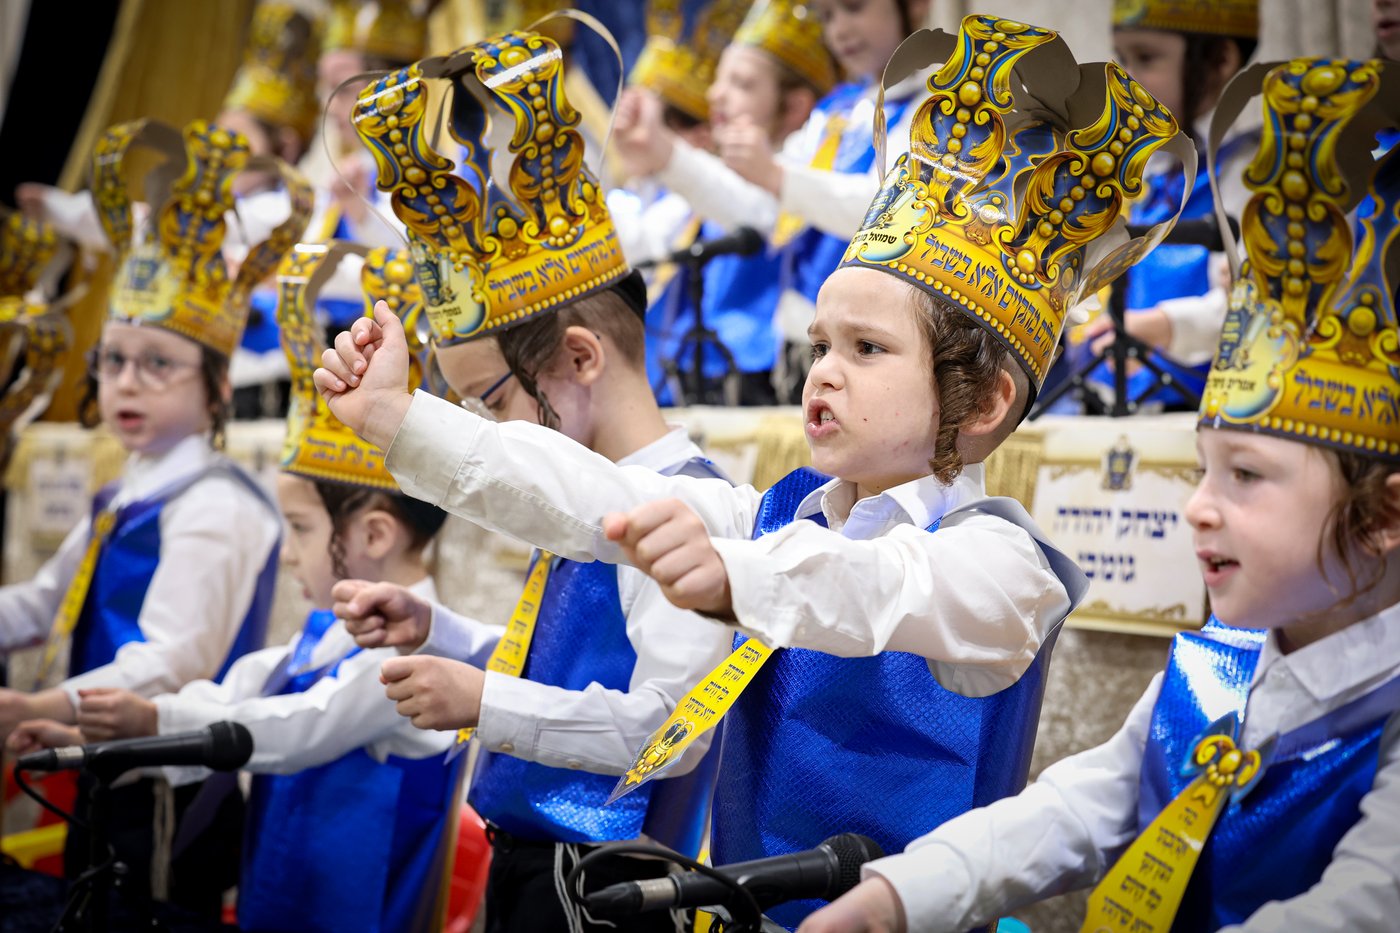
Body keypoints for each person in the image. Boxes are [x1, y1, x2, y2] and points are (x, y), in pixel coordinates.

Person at [314, 14, 1194, 928]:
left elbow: (879, 586)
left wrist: (734, 570)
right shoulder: (769, 515)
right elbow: (591, 491)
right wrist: (394, 418)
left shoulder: (1004, 566)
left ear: (981, 403)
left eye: (866, 347)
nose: (824, 370)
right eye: (819, 343)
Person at [799, 55, 1400, 933]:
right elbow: (1077, 809)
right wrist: (900, 894)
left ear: (1384, 515)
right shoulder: (1213, 664)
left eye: (1248, 477)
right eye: (1202, 469)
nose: (1198, 505)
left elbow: (1356, 908)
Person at [328, 29, 735, 932]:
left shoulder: (690, 509)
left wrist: (485, 702)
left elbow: (668, 730)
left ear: (580, 357)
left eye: (495, 400)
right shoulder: (587, 490)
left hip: (611, 885)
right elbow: (582, 659)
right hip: (534, 860)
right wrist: (455, 636)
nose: (486, 433)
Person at [9, 243, 461, 933]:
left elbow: (293, 728)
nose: (285, 553)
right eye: (115, 360)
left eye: (301, 528)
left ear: (374, 535)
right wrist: (89, 733)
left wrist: (148, 721)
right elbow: (224, 695)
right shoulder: (315, 638)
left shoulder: (406, 663)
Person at [0, 116, 310, 913]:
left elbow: (167, 660)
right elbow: (43, 601)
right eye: (113, 361)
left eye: (157, 364)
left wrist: (47, 707)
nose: (127, 383)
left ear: (214, 388)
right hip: (109, 766)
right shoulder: (128, 488)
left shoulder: (213, 503)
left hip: (169, 792)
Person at [615, 0, 929, 403]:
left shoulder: (931, 104)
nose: (840, 30)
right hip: (806, 339)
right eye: (828, 16)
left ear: (917, 6)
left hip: (878, 337)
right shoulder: (837, 110)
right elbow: (763, 211)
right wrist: (665, 154)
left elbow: (893, 209)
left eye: (854, 7)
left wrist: (776, 176)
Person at [1070, 0, 1259, 412]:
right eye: (1123, 59)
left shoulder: (1252, 172)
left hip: (1213, 406)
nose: (1127, 79)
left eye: (1147, 58)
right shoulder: (1146, 176)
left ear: (1220, 59)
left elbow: (1259, 299)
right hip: (1120, 401)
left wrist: (1160, 327)